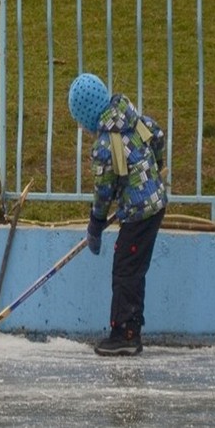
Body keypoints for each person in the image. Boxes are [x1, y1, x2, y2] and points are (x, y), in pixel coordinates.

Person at [68, 73, 167, 357]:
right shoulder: (132, 119)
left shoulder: (104, 147)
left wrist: (95, 224)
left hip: (140, 213)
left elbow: (104, 191)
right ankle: (129, 330)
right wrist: (155, 170)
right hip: (153, 205)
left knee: (126, 271)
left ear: (86, 114)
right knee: (131, 268)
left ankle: (125, 334)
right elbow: (156, 134)